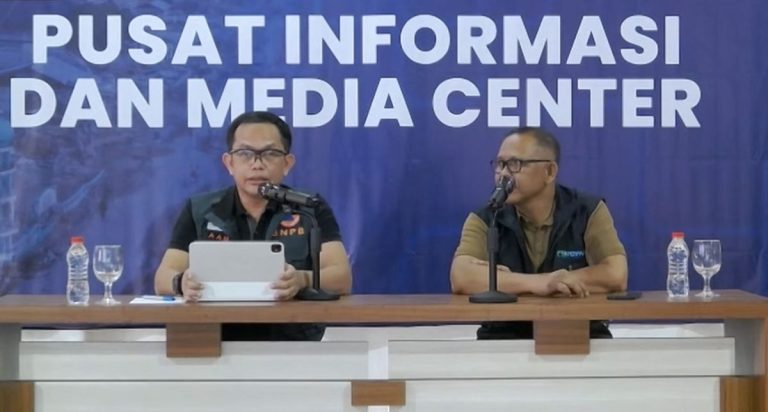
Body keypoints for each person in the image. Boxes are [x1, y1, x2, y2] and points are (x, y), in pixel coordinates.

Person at [154, 111, 352, 340]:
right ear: (229, 163)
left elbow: (341, 278)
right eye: (245, 153)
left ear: (287, 163)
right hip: (214, 341)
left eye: (270, 153)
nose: (257, 164)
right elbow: (162, 278)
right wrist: (181, 282)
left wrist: (301, 280)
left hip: (293, 343)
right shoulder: (200, 210)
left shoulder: (309, 208)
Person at [450, 127, 628, 339]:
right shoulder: (487, 217)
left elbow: (616, 275)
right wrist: (541, 283)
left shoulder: (587, 210)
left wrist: (509, 282)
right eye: (500, 164)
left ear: (550, 172)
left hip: (577, 334)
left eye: (515, 164)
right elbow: (462, 277)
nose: (503, 174)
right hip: (503, 337)